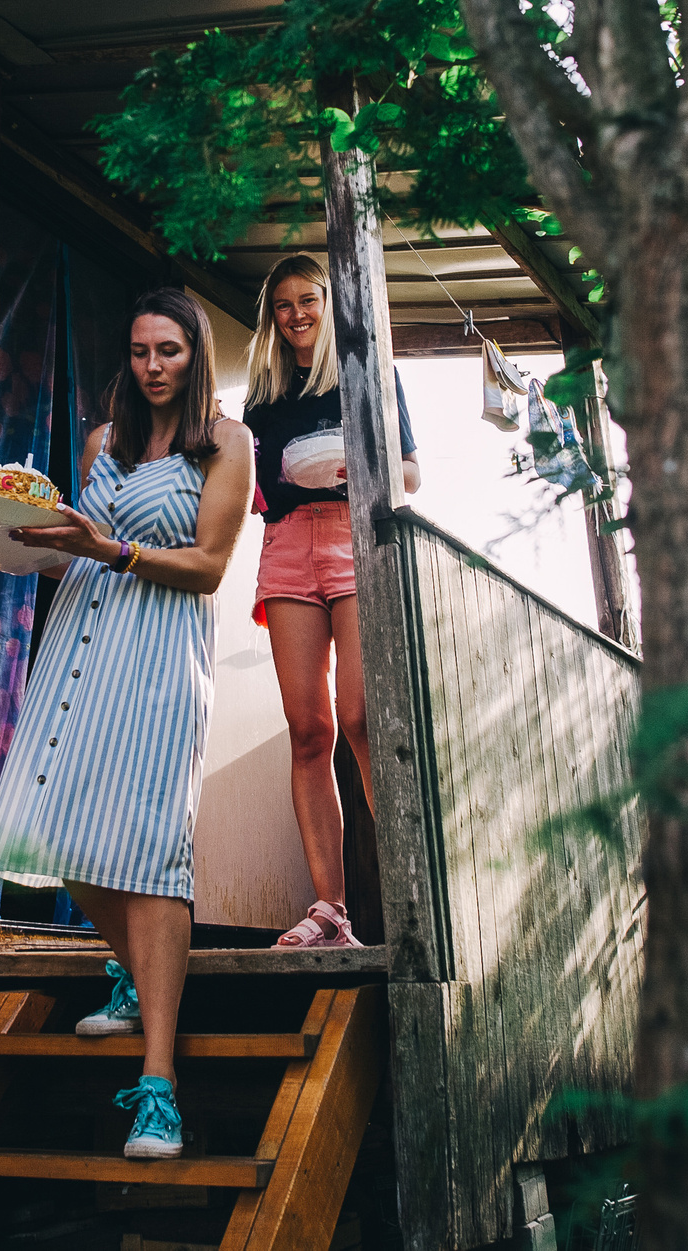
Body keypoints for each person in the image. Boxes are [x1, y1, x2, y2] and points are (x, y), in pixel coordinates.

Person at [0, 287, 254, 1161]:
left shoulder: (229, 444)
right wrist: (15, 542)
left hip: (163, 657)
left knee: (149, 846)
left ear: (195, 353)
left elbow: (208, 567)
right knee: (48, 824)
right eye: (139, 352)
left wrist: (117, 551)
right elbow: (80, 550)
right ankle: (133, 975)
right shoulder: (102, 441)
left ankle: (160, 1089)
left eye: (167, 350)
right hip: (81, 647)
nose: (152, 366)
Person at [242, 253, 419, 949]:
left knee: (363, 717)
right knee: (308, 730)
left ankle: (412, 894)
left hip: (354, 538)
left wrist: (353, 468)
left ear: (328, 301)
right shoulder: (264, 397)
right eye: (282, 305)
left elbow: (408, 471)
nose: (296, 314)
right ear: (273, 316)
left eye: (307, 299)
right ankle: (330, 910)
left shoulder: (368, 373)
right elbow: (260, 492)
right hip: (287, 547)